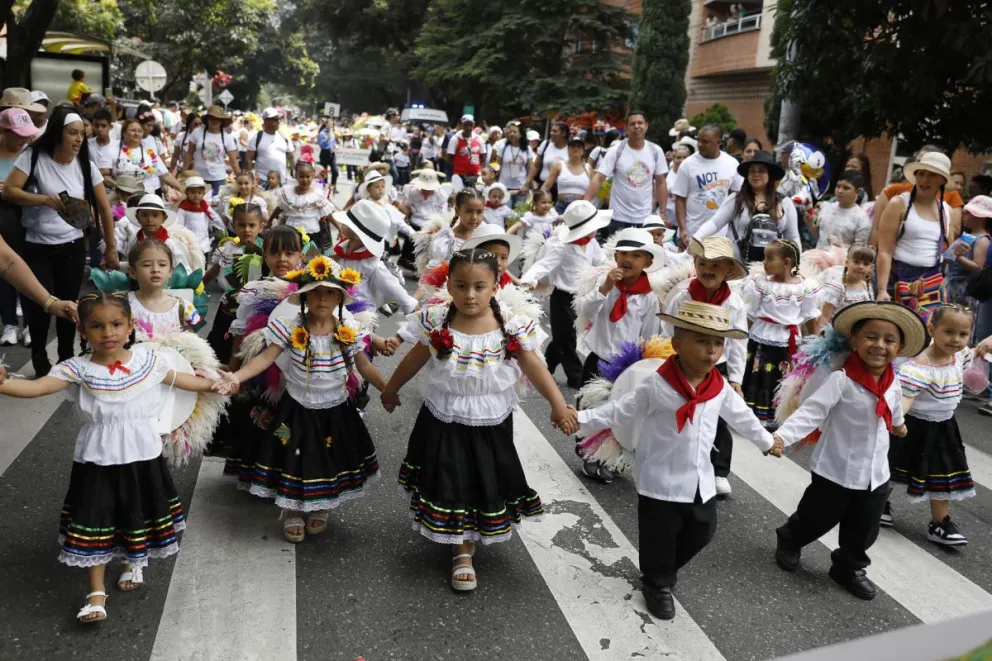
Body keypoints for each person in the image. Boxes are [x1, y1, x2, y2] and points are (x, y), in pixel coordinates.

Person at [0, 291, 222, 622]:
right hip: (97, 461)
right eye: (97, 326)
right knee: (95, 522)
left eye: (116, 324)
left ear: (130, 326)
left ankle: (135, 562)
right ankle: (95, 593)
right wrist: (5, 385)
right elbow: (39, 387)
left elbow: (188, 381)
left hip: (142, 457)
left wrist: (221, 383)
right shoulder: (77, 368)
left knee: (136, 512)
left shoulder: (150, 362)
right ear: (83, 332)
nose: (108, 333)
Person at [380, 248, 576, 591]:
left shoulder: (510, 327)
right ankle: (462, 550)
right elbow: (413, 359)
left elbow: (534, 366)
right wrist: (391, 388)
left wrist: (558, 404)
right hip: (443, 416)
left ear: (496, 285)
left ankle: (469, 534)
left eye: (479, 286)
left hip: (491, 420)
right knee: (451, 476)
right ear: (449, 286)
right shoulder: (437, 320)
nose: (470, 295)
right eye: (461, 285)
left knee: (481, 476)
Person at [573, 300, 781, 620]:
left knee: (703, 529)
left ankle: (664, 569)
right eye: (701, 340)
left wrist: (767, 442)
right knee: (659, 534)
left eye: (717, 342)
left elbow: (742, 417)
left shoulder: (718, 386)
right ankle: (657, 582)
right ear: (677, 343)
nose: (711, 350)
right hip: (658, 477)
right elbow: (620, 409)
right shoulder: (657, 385)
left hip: (698, 476)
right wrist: (581, 418)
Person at [217, 257, 386, 543]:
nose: (322, 298)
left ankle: (320, 506)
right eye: (316, 292)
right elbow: (265, 358)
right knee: (293, 456)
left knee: (327, 457)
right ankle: (292, 510)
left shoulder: (348, 331)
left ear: (339, 298)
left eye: (330, 292)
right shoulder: (289, 327)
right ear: (304, 297)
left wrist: (389, 389)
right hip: (297, 405)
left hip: (336, 407)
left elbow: (364, 366)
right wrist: (237, 377)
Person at [773, 301, 927, 601]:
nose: (879, 345)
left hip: (875, 473)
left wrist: (899, 425)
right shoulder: (841, 380)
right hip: (836, 468)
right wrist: (782, 436)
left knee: (864, 528)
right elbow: (811, 413)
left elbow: (894, 407)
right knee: (815, 516)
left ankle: (849, 566)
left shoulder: (893, 381)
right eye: (871, 336)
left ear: (900, 346)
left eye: (889, 340)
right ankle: (790, 539)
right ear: (854, 341)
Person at [3, 108, 117, 376]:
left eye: (82, 134)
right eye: (73, 133)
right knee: (39, 304)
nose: (79, 140)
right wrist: (44, 199)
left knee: (69, 304)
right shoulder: (33, 157)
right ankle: (40, 356)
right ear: (57, 133)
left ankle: (67, 359)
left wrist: (110, 248)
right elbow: (9, 191)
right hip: (36, 245)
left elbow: (104, 209)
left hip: (73, 246)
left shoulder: (85, 167)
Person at [885, 305, 985, 545]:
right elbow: (905, 399)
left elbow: (973, 355)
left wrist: (983, 347)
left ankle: (940, 523)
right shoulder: (919, 367)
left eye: (963, 334)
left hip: (944, 426)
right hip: (912, 427)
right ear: (932, 329)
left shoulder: (960, 356)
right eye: (949, 332)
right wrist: (897, 422)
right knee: (891, 467)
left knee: (943, 473)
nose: (956, 340)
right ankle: (877, 504)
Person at [575, 227, 665, 482]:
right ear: (615, 257)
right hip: (599, 359)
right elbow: (586, 311)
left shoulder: (648, 299)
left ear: (647, 262)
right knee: (591, 407)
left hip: (626, 366)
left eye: (636, 255)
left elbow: (648, 337)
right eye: (623, 253)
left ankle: (610, 459)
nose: (628, 259)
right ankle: (588, 454)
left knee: (618, 414)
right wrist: (604, 288)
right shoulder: (605, 285)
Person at [662, 237, 749, 496]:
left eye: (716, 266)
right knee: (678, 413)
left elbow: (738, 343)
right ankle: (676, 461)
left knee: (719, 418)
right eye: (703, 264)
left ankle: (719, 470)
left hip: (716, 365)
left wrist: (736, 379)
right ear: (695, 264)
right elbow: (667, 329)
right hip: (683, 363)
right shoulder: (682, 295)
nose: (708, 271)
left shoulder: (734, 303)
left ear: (727, 271)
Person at [221, 225, 306, 471]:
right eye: (275, 253)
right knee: (263, 419)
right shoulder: (253, 290)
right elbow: (240, 332)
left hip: (298, 368)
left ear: (301, 255)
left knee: (293, 420)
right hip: (261, 369)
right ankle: (260, 473)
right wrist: (234, 369)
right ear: (264, 255)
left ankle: (292, 474)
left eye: (290, 253)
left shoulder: (310, 288)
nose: (282, 259)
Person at [520, 200, 610, 388]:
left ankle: (546, 366)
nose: (597, 232)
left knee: (564, 336)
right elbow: (543, 265)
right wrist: (529, 279)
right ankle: (576, 376)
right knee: (567, 338)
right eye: (594, 228)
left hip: (581, 298)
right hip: (562, 298)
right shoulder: (562, 247)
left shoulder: (592, 243)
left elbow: (601, 263)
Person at [742, 239, 820, 426]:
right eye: (764, 258)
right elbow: (751, 313)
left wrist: (816, 343)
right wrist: (741, 336)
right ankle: (750, 415)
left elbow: (809, 316)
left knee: (779, 378)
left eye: (770, 258)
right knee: (756, 374)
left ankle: (773, 417)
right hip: (761, 337)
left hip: (786, 341)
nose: (764, 262)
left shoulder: (804, 287)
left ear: (787, 262)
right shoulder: (761, 284)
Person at [875, 152, 957, 323]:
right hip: (897, 279)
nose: (924, 179)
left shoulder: (946, 211)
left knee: (928, 336)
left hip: (932, 284)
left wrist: (957, 251)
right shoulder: (899, 203)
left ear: (941, 180)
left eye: (931, 175)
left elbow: (945, 254)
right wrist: (882, 289)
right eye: (920, 173)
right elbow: (884, 251)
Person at [694, 151, 800, 262]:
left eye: (762, 171)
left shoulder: (785, 203)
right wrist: (698, 237)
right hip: (738, 271)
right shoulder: (736, 200)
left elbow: (793, 237)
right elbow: (715, 223)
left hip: (774, 271)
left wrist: (797, 264)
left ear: (770, 175)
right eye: (752, 171)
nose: (756, 174)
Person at [584, 112, 668, 236]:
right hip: (618, 218)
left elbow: (661, 182)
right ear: (626, 128)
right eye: (632, 124)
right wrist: (585, 203)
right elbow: (599, 178)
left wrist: (662, 212)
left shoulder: (655, 151)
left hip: (645, 218)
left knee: (640, 254)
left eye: (640, 123)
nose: (637, 126)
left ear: (646, 126)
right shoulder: (616, 150)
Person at [330, 199, 417, 316]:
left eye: (347, 223)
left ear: (356, 235)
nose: (342, 224)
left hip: (361, 314)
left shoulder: (371, 263)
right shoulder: (341, 249)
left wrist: (409, 305)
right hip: (337, 308)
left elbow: (391, 285)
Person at [203, 202, 265, 364]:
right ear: (234, 225)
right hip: (228, 305)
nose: (247, 230)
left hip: (254, 306)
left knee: (247, 344)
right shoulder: (227, 249)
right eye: (242, 225)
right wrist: (198, 285)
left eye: (252, 225)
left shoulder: (266, 249)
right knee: (221, 338)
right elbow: (215, 270)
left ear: (261, 226)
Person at [0, 107, 41, 347]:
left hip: (27, 219)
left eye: (26, 134)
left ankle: (30, 325)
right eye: (17, 134)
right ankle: (9, 323)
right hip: (2, 220)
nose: (22, 139)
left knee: (28, 269)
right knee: (4, 273)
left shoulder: (31, 154)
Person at [672, 124, 743, 248]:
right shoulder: (688, 164)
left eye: (705, 142)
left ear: (718, 142)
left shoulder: (731, 164)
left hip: (721, 235)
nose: (700, 144)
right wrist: (683, 229)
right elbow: (680, 199)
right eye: (698, 140)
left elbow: (737, 197)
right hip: (692, 233)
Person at [126, 240, 202, 340]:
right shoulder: (124, 305)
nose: (155, 270)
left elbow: (192, 343)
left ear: (170, 271)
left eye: (162, 265)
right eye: (147, 265)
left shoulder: (182, 307)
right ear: (132, 272)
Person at [270, 161, 336, 249]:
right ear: (296, 176)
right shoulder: (288, 193)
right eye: (301, 177)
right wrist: (270, 220)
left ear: (312, 176)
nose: (305, 179)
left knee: (310, 258)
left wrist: (338, 227)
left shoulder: (317, 194)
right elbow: (280, 208)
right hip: (291, 230)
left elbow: (327, 213)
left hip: (311, 231)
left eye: (307, 176)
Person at [815, 243, 876, 333]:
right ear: (847, 263)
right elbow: (825, 316)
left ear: (871, 268)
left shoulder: (866, 287)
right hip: (836, 334)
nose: (860, 267)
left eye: (865, 264)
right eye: (856, 262)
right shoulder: (838, 287)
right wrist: (818, 340)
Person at [421, 188, 486, 271]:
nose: (474, 217)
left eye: (479, 212)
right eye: (469, 211)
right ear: (457, 211)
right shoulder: (445, 241)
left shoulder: (484, 238)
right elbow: (435, 273)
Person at [113, 118, 180, 196]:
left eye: (139, 131)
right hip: (123, 196)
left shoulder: (149, 151)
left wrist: (181, 188)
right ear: (123, 132)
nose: (136, 133)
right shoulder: (114, 149)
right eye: (132, 130)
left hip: (149, 195)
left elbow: (165, 175)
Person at [945, 195, 991, 306]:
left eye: (967, 213)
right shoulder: (965, 236)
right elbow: (947, 259)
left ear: (980, 217)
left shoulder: (983, 239)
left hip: (965, 290)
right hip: (951, 286)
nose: (963, 216)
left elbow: (978, 267)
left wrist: (959, 257)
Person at [183, 105, 240, 195]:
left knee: (216, 205)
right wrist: (184, 173)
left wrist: (240, 179)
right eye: (212, 118)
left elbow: (233, 162)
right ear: (207, 119)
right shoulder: (197, 132)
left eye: (218, 119)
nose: (214, 121)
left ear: (222, 121)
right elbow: (189, 154)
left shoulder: (228, 138)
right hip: (198, 177)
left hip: (218, 179)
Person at [809, 170, 871, 249]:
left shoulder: (862, 218)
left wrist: (842, 245)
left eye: (846, 188)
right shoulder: (826, 207)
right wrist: (809, 222)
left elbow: (860, 250)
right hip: (818, 256)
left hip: (841, 260)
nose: (840, 191)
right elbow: (820, 237)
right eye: (838, 186)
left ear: (858, 191)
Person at [176, 175, 225, 256]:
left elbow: (215, 217)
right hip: (189, 242)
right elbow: (179, 224)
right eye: (192, 192)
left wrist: (222, 229)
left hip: (204, 241)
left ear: (203, 194)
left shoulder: (205, 206)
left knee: (204, 261)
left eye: (199, 193)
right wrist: (181, 238)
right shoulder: (183, 208)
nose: (196, 195)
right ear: (187, 193)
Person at [246, 108, 294, 184]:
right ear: (266, 121)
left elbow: (290, 157)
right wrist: (249, 175)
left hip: (281, 181)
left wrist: (294, 171)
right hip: (262, 181)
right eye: (274, 119)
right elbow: (249, 158)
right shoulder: (257, 137)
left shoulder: (284, 137)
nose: (278, 121)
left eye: (278, 119)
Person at [546, 136, 592, 215]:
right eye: (573, 146)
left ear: (583, 151)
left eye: (579, 147)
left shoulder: (588, 167)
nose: (576, 148)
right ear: (568, 149)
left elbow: (594, 188)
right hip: (561, 207)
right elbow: (546, 186)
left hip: (581, 208)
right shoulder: (559, 165)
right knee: (559, 227)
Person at [492, 121, 533, 207]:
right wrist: (492, 173)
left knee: (518, 214)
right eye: (510, 132)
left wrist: (526, 185)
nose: (512, 134)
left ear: (521, 134)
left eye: (515, 132)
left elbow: (531, 169)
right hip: (504, 187)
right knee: (506, 214)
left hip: (521, 187)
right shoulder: (503, 147)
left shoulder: (527, 149)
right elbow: (496, 164)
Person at [523, 121, 570, 195]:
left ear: (563, 133)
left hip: (562, 189)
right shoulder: (546, 144)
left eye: (555, 131)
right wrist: (527, 182)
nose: (551, 133)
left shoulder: (571, 148)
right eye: (551, 130)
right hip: (543, 186)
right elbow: (536, 166)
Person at [445, 114, 484, 189]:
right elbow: (449, 158)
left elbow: (483, 157)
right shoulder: (455, 139)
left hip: (476, 175)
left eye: (471, 125)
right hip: (459, 175)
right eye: (466, 125)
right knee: (459, 197)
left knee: (477, 197)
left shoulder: (479, 139)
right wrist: (460, 165)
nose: (468, 127)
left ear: (474, 124)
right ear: (461, 125)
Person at [317, 118, 338, 190]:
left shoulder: (332, 132)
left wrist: (335, 145)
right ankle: (324, 186)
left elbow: (333, 141)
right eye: (330, 124)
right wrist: (327, 139)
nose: (331, 125)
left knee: (335, 170)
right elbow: (321, 144)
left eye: (332, 124)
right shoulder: (322, 133)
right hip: (324, 153)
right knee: (324, 172)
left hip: (332, 153)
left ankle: (333, 185)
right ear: (326, 124)